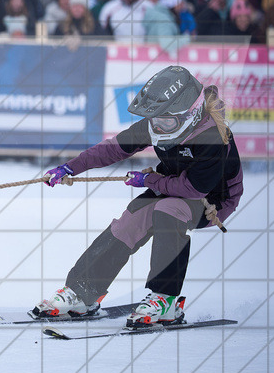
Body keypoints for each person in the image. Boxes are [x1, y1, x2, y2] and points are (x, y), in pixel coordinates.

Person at [35, 66, 242, 328]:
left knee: (168, 211)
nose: (158, 126)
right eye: (155, 120)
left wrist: (149, 180)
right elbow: (113, 149)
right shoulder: (161, 121)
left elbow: (194, 189)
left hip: (213, 200)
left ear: (190, 114)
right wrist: (70, 167)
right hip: (169, 186)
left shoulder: (213, 137)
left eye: (165, 121)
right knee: (131, 220)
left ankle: (164, 299)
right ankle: (83, 292)